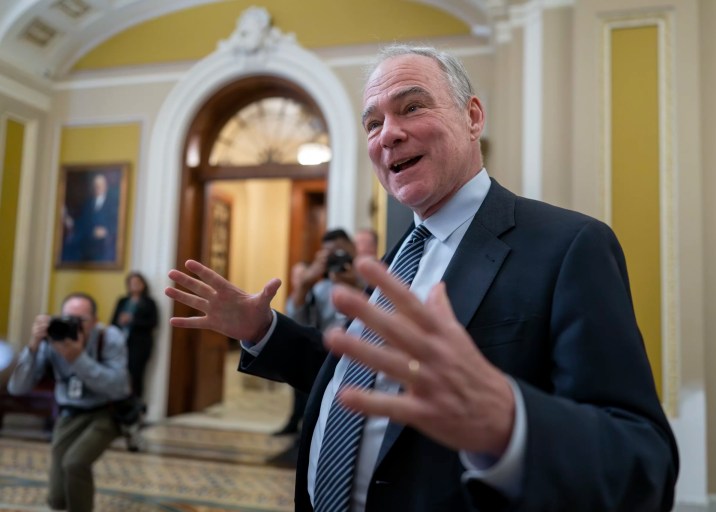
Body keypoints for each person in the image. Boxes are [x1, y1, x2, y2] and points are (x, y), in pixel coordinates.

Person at [165, 44, 679, 511]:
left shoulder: (568, 246)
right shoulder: (396, 261)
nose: (387, 133)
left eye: (412, 107)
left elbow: (642, 460)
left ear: (472, 116)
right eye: (372, 123)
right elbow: (372, 377)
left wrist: (514, 425)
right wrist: (264, 331)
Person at [7, 292, 131, 512]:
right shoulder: (53, 337)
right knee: (57, 497)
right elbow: (17, 387)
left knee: (75, 462)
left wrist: (77, 358)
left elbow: (119, 387)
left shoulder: (110, 337)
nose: (73, 325)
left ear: (95, 321)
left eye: (80, 320)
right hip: (69, 413)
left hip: (106, 412)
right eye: (67, 318)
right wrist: (34, 346)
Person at [268, 230, 363, 468]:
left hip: (362, 362)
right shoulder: (320, 289)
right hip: (327, 358)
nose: (339, 256)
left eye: (341, 249)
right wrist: (304, 283)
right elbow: (297, 318)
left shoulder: (373, 278)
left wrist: (358, 285)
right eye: (331, 252)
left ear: (353, 248)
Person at [110, 271, 158, 402]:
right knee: (119, 374)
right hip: (120, 342)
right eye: (132, 283)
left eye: (137, 283)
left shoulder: (149, 303)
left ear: (143, 285)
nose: (135, 286)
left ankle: (136, 409)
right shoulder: (122, 301)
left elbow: (153, 323)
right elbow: (113, 322)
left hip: (139, 344)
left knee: (136, 376)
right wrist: (121, 321)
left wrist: (132, 320)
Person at [61, 172, 119, 263]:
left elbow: (117, 223)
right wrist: (70, 221)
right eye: (96, 185)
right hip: (88, 242)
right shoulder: (88, 204)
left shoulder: (113, 203)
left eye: (100, 185)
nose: (98, 187)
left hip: (105, 244)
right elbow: (83, 221)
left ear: (106, 186)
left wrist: (106, 231)